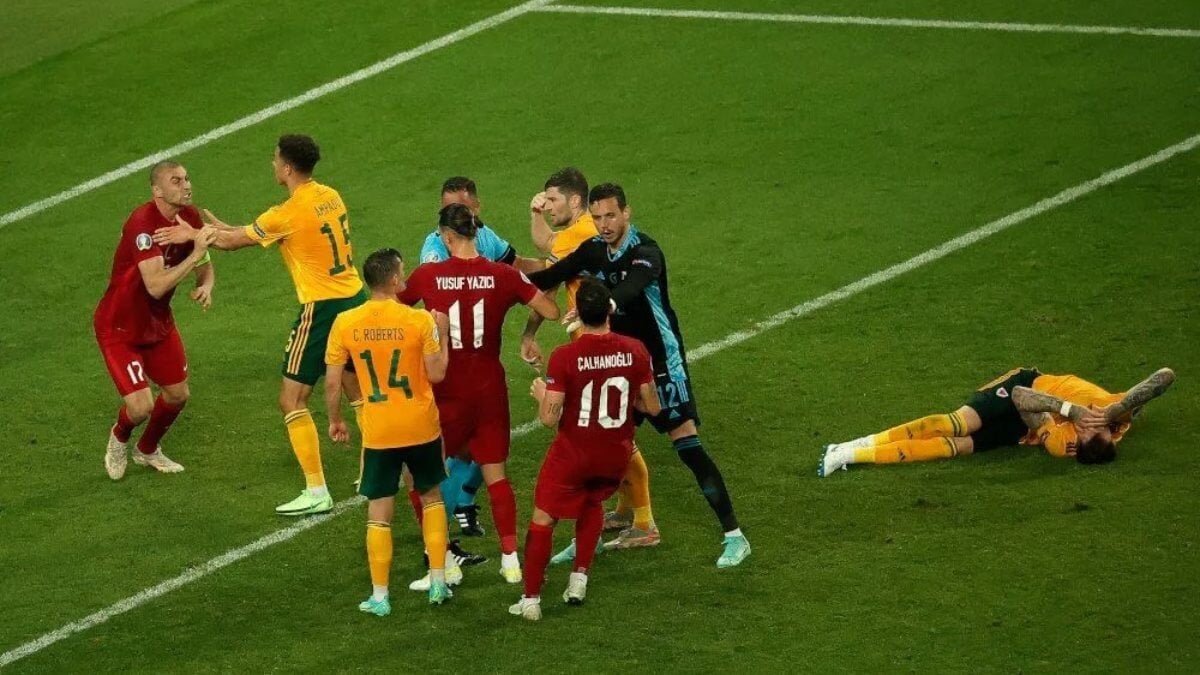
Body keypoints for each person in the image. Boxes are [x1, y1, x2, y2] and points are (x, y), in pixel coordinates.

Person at [529, 183, 751, 569]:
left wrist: (603, 306)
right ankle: (596, 535)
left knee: (688, 446)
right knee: (598, 445)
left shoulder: (646, 253)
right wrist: (497, 283)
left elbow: (631, 289)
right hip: (623, 366)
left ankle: (735, 535)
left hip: (662, 364)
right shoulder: (594, 248)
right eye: (597, 217)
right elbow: (551, 276)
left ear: (626, 213)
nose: (604, 225)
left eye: (611, 216)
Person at [153, 134, 368, 516]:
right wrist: (224, 229)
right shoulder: (329, 196)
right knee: (357, 387)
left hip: (322, 309)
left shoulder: (286, 212)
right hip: (354, 298)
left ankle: (317, 490)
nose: (272, 165)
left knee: (292, 399)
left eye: (275, 160)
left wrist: (194, 235)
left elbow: (235, 242)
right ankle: (378, 472)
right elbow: (260, 231)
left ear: (287, 168)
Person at [399, 203, 560, 588]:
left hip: (445, 389)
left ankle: (442, 559)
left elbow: (393, 309)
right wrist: (528, 334)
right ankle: (510, 561)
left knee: (421, 476)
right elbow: (551, 310)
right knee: (496, 474)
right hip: (488, 386)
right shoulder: (503, 275)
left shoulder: (428, 276)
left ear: (447, 236)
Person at [509, 280, 660, 621]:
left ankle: (530, 600)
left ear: (578, 313)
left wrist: (542, 396)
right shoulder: (635, 349)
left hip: (574, 455)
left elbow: (549, 419)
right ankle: (579, 580)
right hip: (615, 454)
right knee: (593, 504)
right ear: (609, 311)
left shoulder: (565, 357)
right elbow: (652, 406)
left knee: (543, 518)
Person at [525, 168, 659, 549]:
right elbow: (549, 258)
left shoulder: (581, 234)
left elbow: (546, 268)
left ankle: (644, 522)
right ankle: (624, 510)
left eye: (553, 199)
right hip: (594, 336)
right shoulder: (582, 232)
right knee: (612, 428)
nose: (548, 205)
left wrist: (500, 274)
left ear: (575, 200)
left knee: (608, 430)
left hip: (596, 340)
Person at [325, 248, 453, 614]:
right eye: (403, 272)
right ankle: (439, 582)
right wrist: (443, 335)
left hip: (379, 430)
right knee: (431, 498)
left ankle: (380, 596)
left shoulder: (345, 322)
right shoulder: (420, 320)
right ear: (394, 280)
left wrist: (335, 419)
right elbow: (437, 374)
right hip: (420, 425)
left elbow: (333, 382)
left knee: (379, 511)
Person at [418, 176, 542, 537]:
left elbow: (516, 263)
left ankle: (459, 508)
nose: (452, 213)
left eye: (459, 207)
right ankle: (440, 531)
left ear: (476, 208)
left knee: (480, 445)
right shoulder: (435, 245)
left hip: (478, 363)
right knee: (450, 450)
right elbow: (431, 305)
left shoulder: (484, 236)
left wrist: (560, 263)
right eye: (446, 208)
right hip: (448, 361)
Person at [95, 160, 217, 479]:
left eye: (187, 178)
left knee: (178, 394)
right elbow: (156, 285)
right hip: (120, 326)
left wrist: (206, 283)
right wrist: (194, 254)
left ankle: (147, 449)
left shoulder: (189, 217)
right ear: (157, 191)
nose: (186, 185)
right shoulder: (142, 225)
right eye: (176, 181)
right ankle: (119, 436)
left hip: (157, 324)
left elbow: (204, 261)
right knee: (140, 407)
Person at [819, 367, 1176, 475]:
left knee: (957, 447)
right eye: (1096, 429)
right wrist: (1112, 410)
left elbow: (1024, 402)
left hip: (1028, 413)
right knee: (958, 423)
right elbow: (1164, 377)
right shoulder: (1113, 414)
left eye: (1087, 431)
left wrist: (1073, 412)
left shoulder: (1061, 444)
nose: (1091, 425)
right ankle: (862, 440)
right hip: (1026, 381)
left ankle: (849, 454)